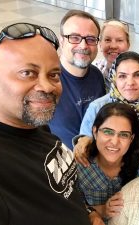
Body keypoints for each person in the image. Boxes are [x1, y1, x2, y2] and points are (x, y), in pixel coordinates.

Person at [0, 23, 90, 225]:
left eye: (54, 75)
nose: (47, 86)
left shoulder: (32, 123)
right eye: (27, 72)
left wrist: (88, 211)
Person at [77, 102, 139, 225]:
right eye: (108, 132)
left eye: (124, 135)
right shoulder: (78, 166)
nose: (115, 142)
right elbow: (69, 204)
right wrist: (94, 212)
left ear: (131, 139)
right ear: (95, 132)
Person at [77, 51, 139, 153]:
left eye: (137, 75)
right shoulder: (97, 107)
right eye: (122, 76)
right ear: (114, 78)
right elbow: (84, 150)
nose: (130, 83)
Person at [49, 9, 106, 150]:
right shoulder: (47, 80)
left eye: (91, 39)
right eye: (74, 37)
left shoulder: (97, 76)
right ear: (61, 41)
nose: (83, 45)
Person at [94, 20, 130, 90]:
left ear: (128, 45)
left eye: (119, 40)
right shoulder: (94, 70)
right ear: (100, 44)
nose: (113, 46)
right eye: (107, 40)